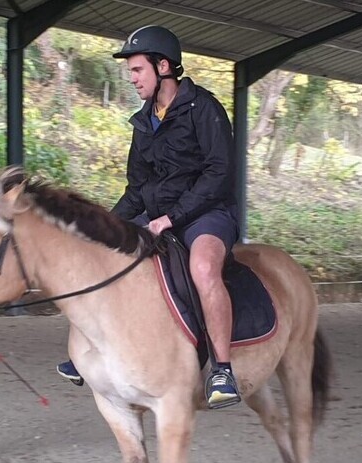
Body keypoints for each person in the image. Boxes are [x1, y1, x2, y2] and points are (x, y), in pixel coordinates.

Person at [57, 25, 241, 408]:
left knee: (205, 269)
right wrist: (102, 226)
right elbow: (138, 188)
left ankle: (222, 369)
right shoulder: (144, 122)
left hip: (207, 213)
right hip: (159, 215)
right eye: (131, 72)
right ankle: (89, 353)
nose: (133, 78)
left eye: (137, 69)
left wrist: (172, 216)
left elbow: (219, 173)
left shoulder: (204, 108)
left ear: (163, 67)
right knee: (104, 260)